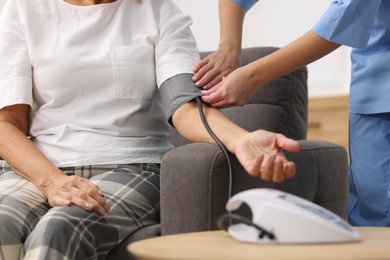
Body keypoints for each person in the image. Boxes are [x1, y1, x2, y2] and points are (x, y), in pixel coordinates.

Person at [0, 0, 301, 259]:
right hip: (41, 169)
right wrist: (52, 182)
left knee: (60, 228)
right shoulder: (22, 9)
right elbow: (7, 123)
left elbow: (184, 107)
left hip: (134, 167)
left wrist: (242, 139)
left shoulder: (158, 11)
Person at [193, 0, 390, 227]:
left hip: (380, 86)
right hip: (372, 85)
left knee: (376, 217)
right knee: (369, 213)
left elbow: (347, 14)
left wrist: (253, 77)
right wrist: (228, 47)